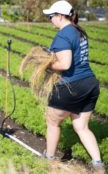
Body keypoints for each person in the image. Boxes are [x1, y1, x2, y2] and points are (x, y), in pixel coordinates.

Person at [42, 0, 105, 172]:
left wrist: (46, 65)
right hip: (90, 84)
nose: (50, 19)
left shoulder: (63, 35)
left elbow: (64, 64)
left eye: (51, 16)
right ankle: (98, 164)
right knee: (81, 126)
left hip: (72, 85)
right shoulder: (79, 31)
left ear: (60, 16)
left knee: (52, 121)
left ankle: (49, 160)